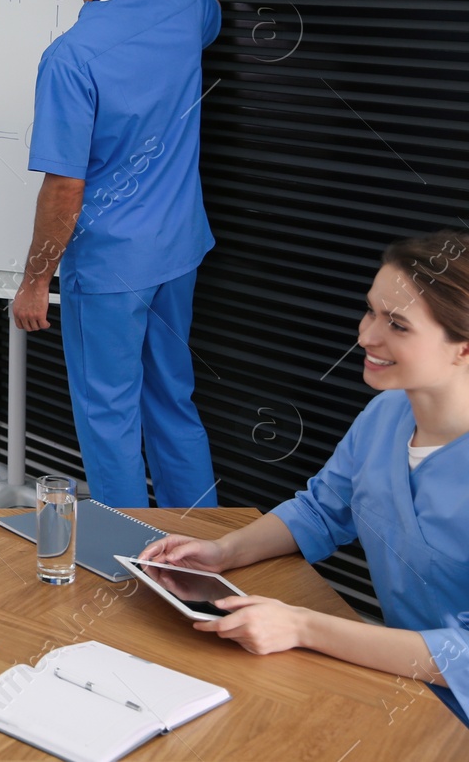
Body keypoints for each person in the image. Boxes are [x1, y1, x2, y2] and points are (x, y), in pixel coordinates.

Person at [141, 231, 469, 725]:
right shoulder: (385, 415)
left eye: (397, 325)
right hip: (402, 683)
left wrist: (301, 626)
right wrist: (224, 553)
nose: (366, 337)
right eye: (371, 311)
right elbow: (320, 509)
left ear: (462, 350)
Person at [13, 0, 221, 508]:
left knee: (109, 419)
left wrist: (34, 280)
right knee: (172, 401)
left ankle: (128, 566)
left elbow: (64, 186)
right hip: (178, 250)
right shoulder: (184, 8)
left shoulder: (70, 57)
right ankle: (207, 548)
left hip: (108, 268)